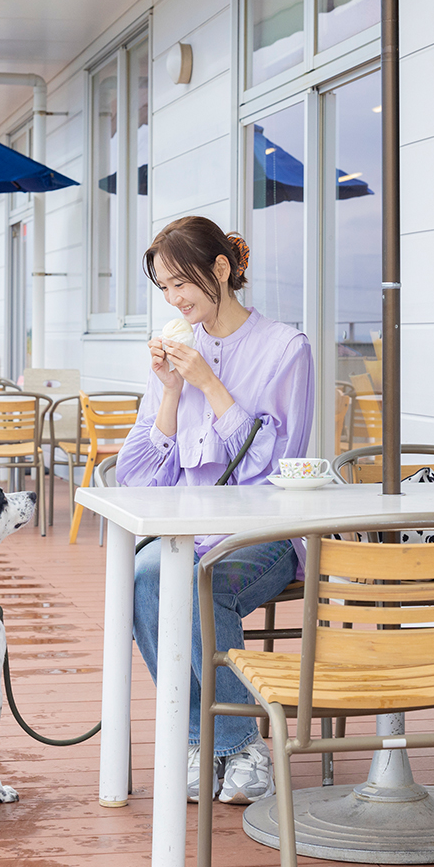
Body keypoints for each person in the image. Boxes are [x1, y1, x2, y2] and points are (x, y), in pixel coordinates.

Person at [116, 215, 314, 804]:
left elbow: (275, 466)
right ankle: (209, 742)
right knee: (146, 576)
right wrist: (173, 392)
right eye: (165, 287)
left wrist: (211, 385)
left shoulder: (285, 349)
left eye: (183, 283)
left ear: (221, 270)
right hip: (190, 531)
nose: (174, 299)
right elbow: (142, 476)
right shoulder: (178, 352)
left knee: (198, 583)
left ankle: (234, 745)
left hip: (267, 534)